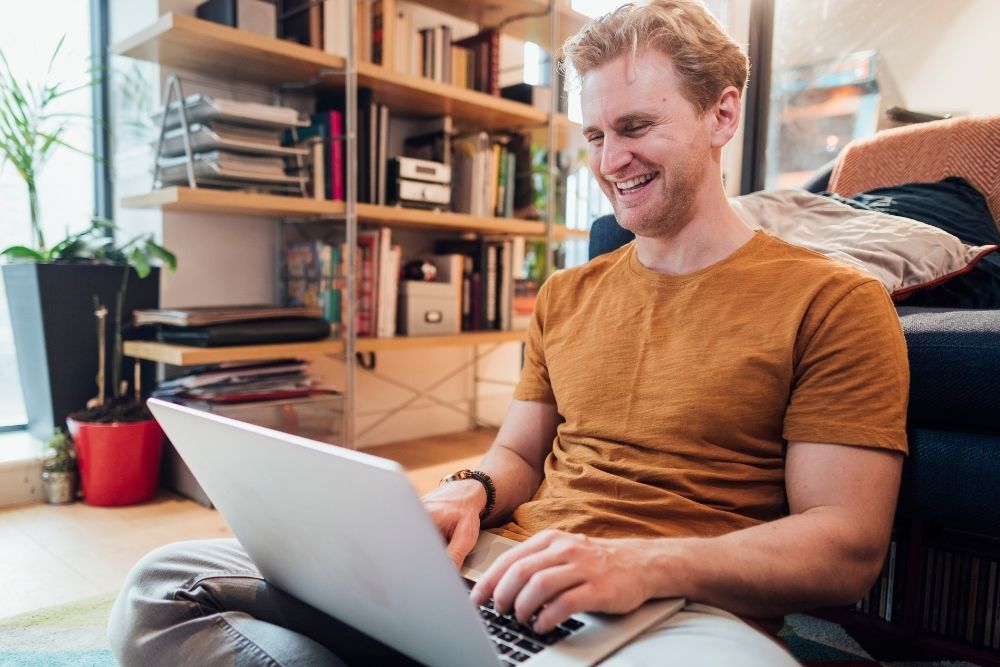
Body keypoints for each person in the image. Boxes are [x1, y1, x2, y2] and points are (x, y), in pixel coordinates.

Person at [108, 1, 909, 665]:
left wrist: (641, 561)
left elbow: (846, 547)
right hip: (505, 569)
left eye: (635, 126)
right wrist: (470, 490)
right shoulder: (569, 292)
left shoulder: (832, 301)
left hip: (675, 609)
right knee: (160, 585)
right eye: (595, 136)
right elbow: (521, 455)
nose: (611, 160)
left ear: (721, 114)